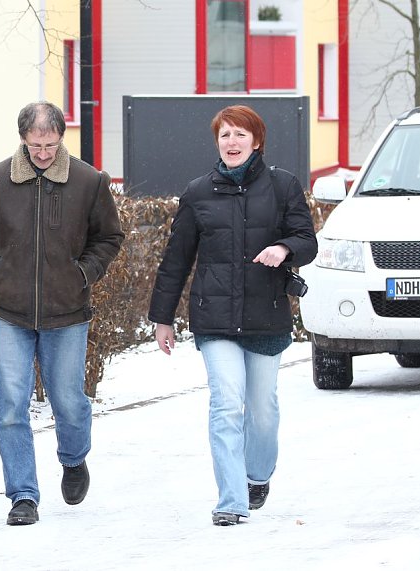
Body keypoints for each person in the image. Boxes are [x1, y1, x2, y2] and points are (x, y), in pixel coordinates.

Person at [147, 105, 318, 526]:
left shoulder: (282, 186)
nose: (232, 141)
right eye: (225, 134)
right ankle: (230, 499)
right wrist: (162, 317)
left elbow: (307, 240)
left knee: (262, 410)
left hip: (266, 315)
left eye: (241, 134)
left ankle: (257, 475)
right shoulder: (198, 192)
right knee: (225, 404)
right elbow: (176, 260)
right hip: (215, 319)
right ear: (217, 142)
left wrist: (285, 248)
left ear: (256, 141)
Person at [0, 101, 124, 526]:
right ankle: (23, 495)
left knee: (68, 400)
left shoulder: (89, 181)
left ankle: (73, 458)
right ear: (23, 139)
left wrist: (84, 272)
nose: (44, 153)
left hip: (67, 311)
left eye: (51, 145)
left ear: (61, 138)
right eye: (36, 145)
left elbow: (109, 236)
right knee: (11, 406)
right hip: (8, 311)